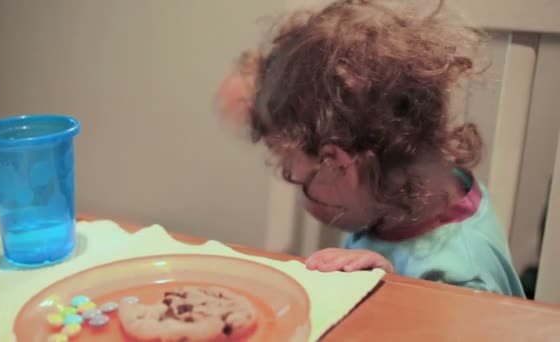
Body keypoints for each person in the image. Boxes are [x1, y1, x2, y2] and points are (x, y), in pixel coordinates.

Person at [216, 0, 525, 297]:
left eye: (296, 178)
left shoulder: (461, 282)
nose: (301, 199)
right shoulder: (411, 192)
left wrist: (393, 295)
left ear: (335, 163)